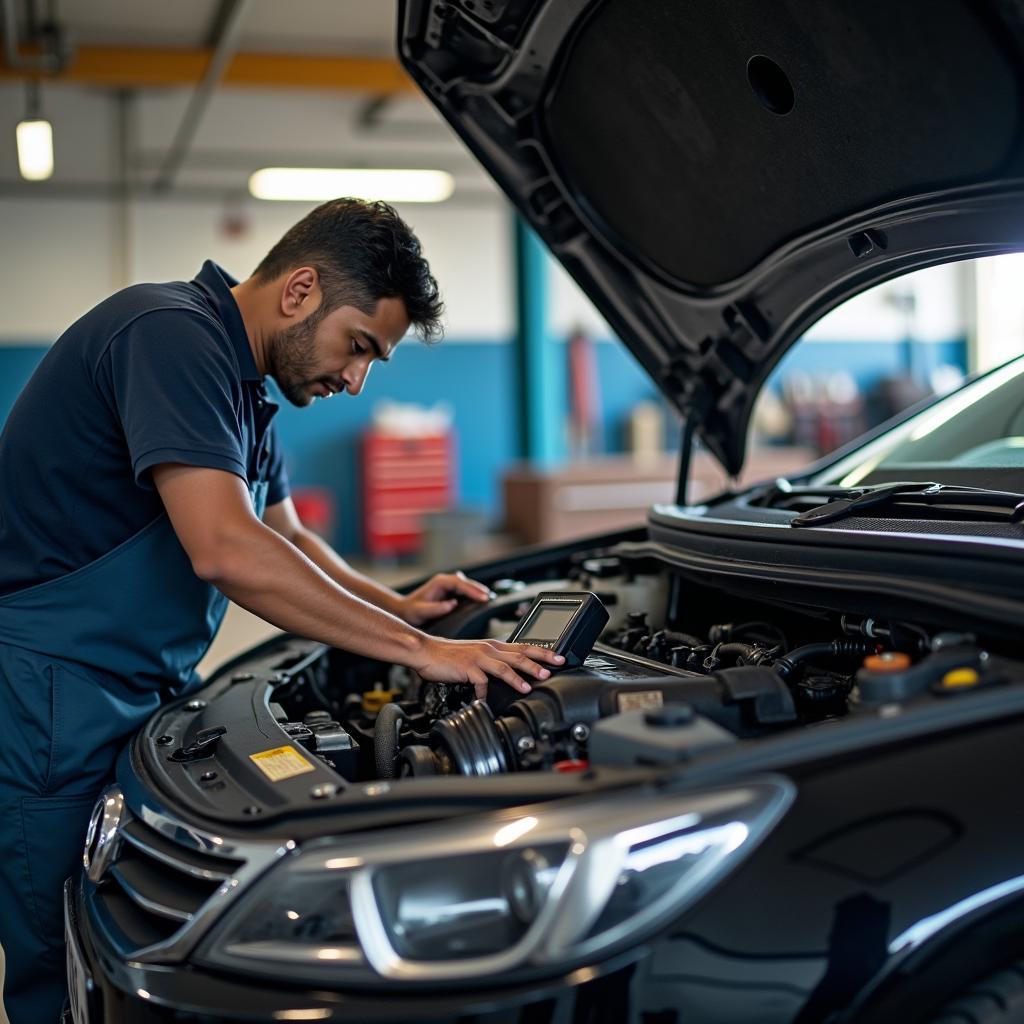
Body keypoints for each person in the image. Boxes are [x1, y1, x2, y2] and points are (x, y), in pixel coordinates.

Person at [0, 197, 562, 1023]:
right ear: (300, 291)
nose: (355, 379)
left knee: (125, 924)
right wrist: (418, 650)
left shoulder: (241, 380)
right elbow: (226, 549)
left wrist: (398, 602)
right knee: (64, 953)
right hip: (55, 692)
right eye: (359, 346)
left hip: (130, 686)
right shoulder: (168, 335)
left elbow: (285, 534)